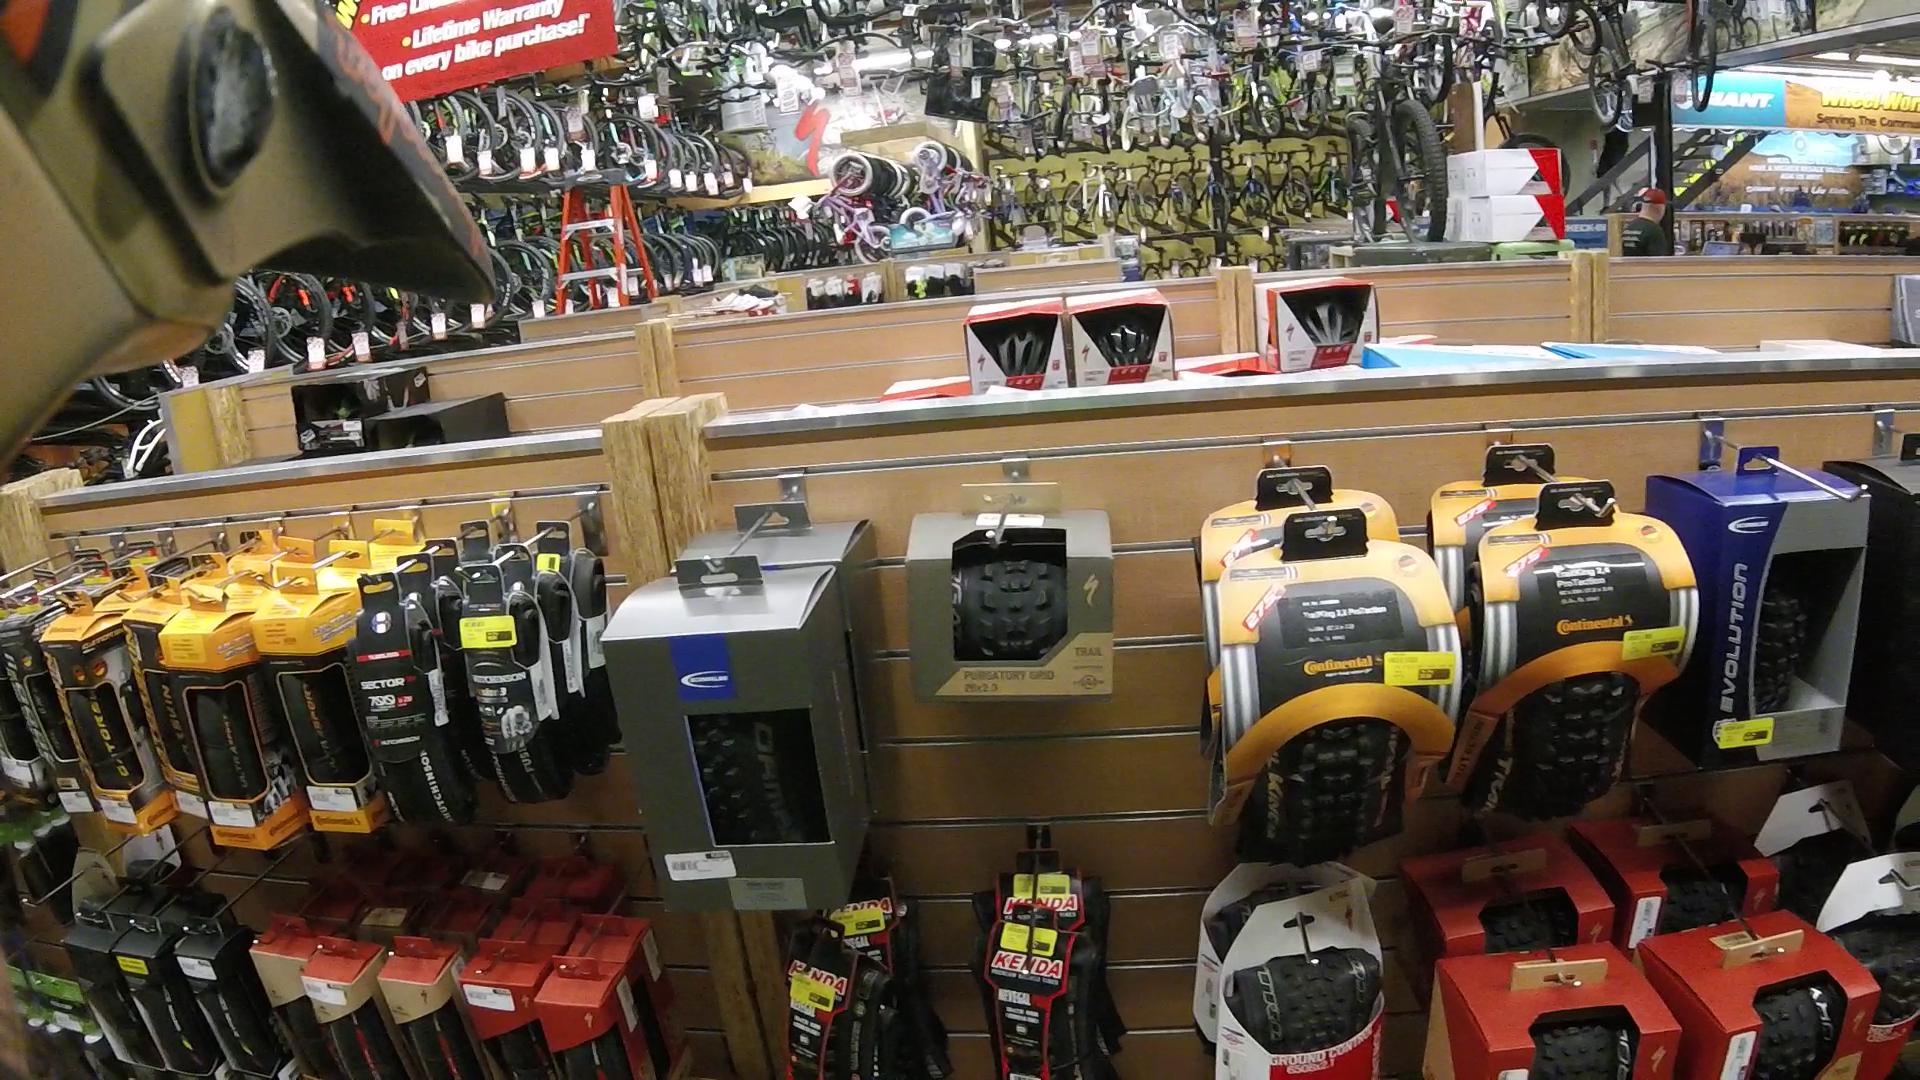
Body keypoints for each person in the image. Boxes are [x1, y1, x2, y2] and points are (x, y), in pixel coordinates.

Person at [1619, 187, 1674, 257]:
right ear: (1659, 207)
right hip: (1645, 268)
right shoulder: (1654, 231)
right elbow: (1658, 263)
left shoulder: (1628, 228)